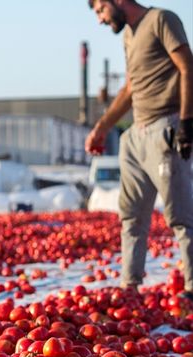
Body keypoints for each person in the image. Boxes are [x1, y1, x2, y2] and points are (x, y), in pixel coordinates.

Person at [85, 0, 193, 301]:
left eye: (100, 11)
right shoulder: (129, 35)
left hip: (165, 126)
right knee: (131, 214)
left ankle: (192, 288)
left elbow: (187, 66)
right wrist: (102, 127)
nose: (101, 20)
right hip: (135, 135)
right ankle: (130, 286)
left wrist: (186, 122)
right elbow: (131, 88)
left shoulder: (162, 20)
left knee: (180, 214)